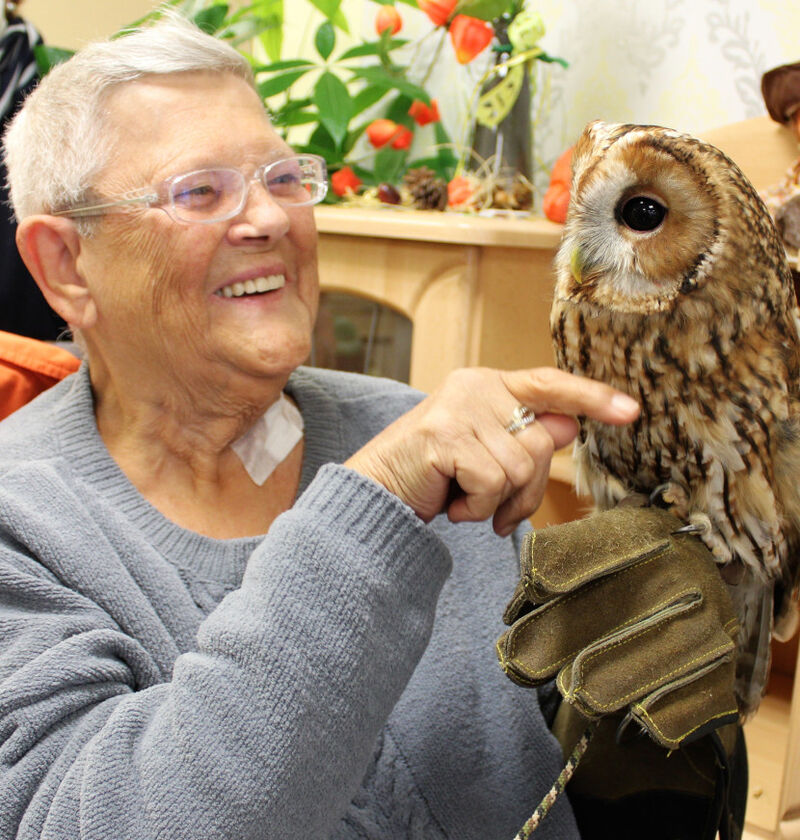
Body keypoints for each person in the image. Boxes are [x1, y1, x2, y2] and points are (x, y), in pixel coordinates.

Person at [0, 15, 649, 839]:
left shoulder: (407, 421)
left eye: (282, 177)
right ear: (65, 264)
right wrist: (378, 503)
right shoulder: (21, 524)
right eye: (200, 192)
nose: (270, 218)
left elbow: (545, 751)